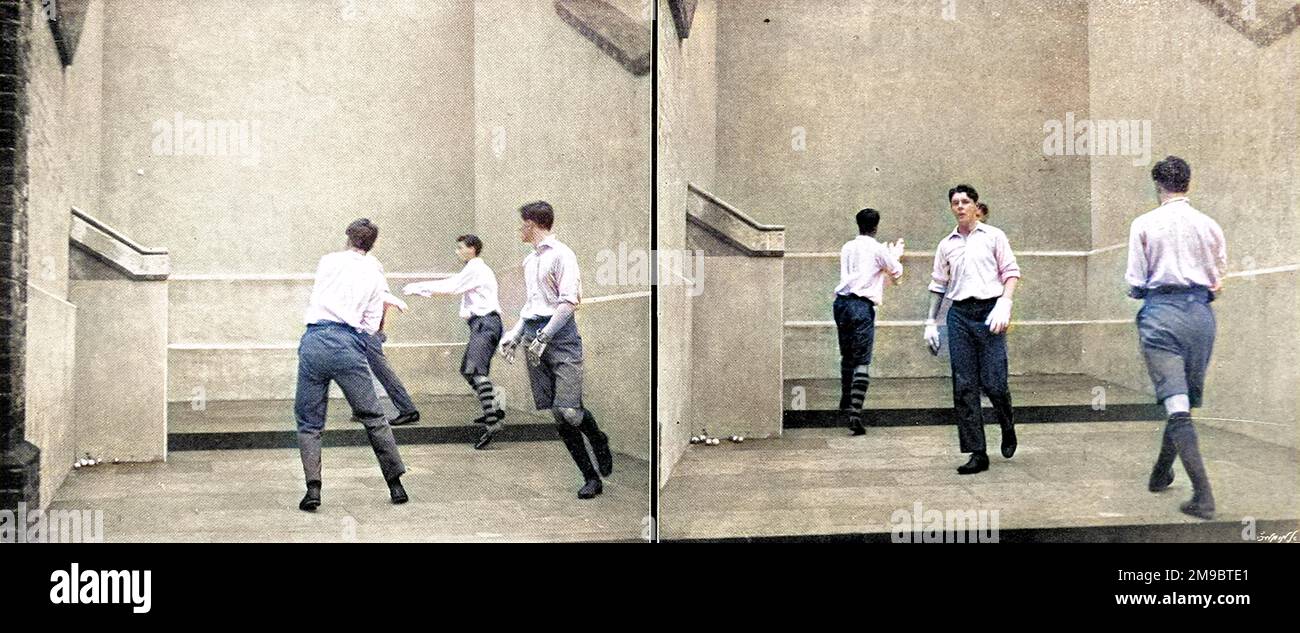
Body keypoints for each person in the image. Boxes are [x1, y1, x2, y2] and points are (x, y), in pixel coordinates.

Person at [1126, 155, 1225, 520]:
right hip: (1201, 317)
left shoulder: (1144, 224)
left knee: (1176, 401)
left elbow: (1135, 283)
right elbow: (1217, 280)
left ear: (1158, 186)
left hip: (1161, 316)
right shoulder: (1209, 225)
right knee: (1182, 400)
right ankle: (1161, 472)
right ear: (1188, 183)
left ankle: (1204, 496)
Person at [499, 201, 613, 499]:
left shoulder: (563, 255)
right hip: (535, 334)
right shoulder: (529, 261)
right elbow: (531, 306)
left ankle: (598, 438)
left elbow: (568, 302)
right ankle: (591, 478)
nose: (519, 229)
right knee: (558, 415)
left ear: (533, 224)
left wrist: (545, 336)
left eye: (522, 223)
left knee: (570, 411)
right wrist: (514, 333)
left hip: (560, 336)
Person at [294, 218, 408, 511]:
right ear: (372, 244)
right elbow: (371, 325)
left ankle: (313, 490)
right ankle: (396, 485)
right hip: (348, 345)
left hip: (315, 341)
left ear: (348, 237)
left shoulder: (328, 261)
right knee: (373, 416)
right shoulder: (374, 273)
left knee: (309, 421)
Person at [923, 184, 1021, 474]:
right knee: (964, 385)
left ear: (976, 206)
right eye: (955, 202)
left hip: (991, 312)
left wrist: (1005, 303)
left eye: (966, 201)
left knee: (994, 382)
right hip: (960, 316)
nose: (960, 206)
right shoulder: (947, 245)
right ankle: (978, 452)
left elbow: (1011, 272)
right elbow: (939, 285)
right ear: (951, 208)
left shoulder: (994, 236)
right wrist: (930, 321)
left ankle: (1007, 423)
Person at [404, 234, 505, 450]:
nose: (457, 251)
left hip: (485, 324)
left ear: (473, 248)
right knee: (468, 370)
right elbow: (454, 286)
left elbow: (452, 286)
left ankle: (493, 421)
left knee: (476, 372)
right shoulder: (475, 269)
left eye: (461, 248)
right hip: (483, 325)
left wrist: (419, 286)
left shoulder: (476, 268)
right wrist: (422, 289)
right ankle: (494, 409)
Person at [832, 208, 904, 435]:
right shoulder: (877, 249)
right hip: (861, 307)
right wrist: (895, 255)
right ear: (876, 226)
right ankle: (855, 414)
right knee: (862, 359)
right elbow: (896, 271)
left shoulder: (847, 247)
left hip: (841, 304)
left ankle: (845, 399)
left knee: (847, 354)